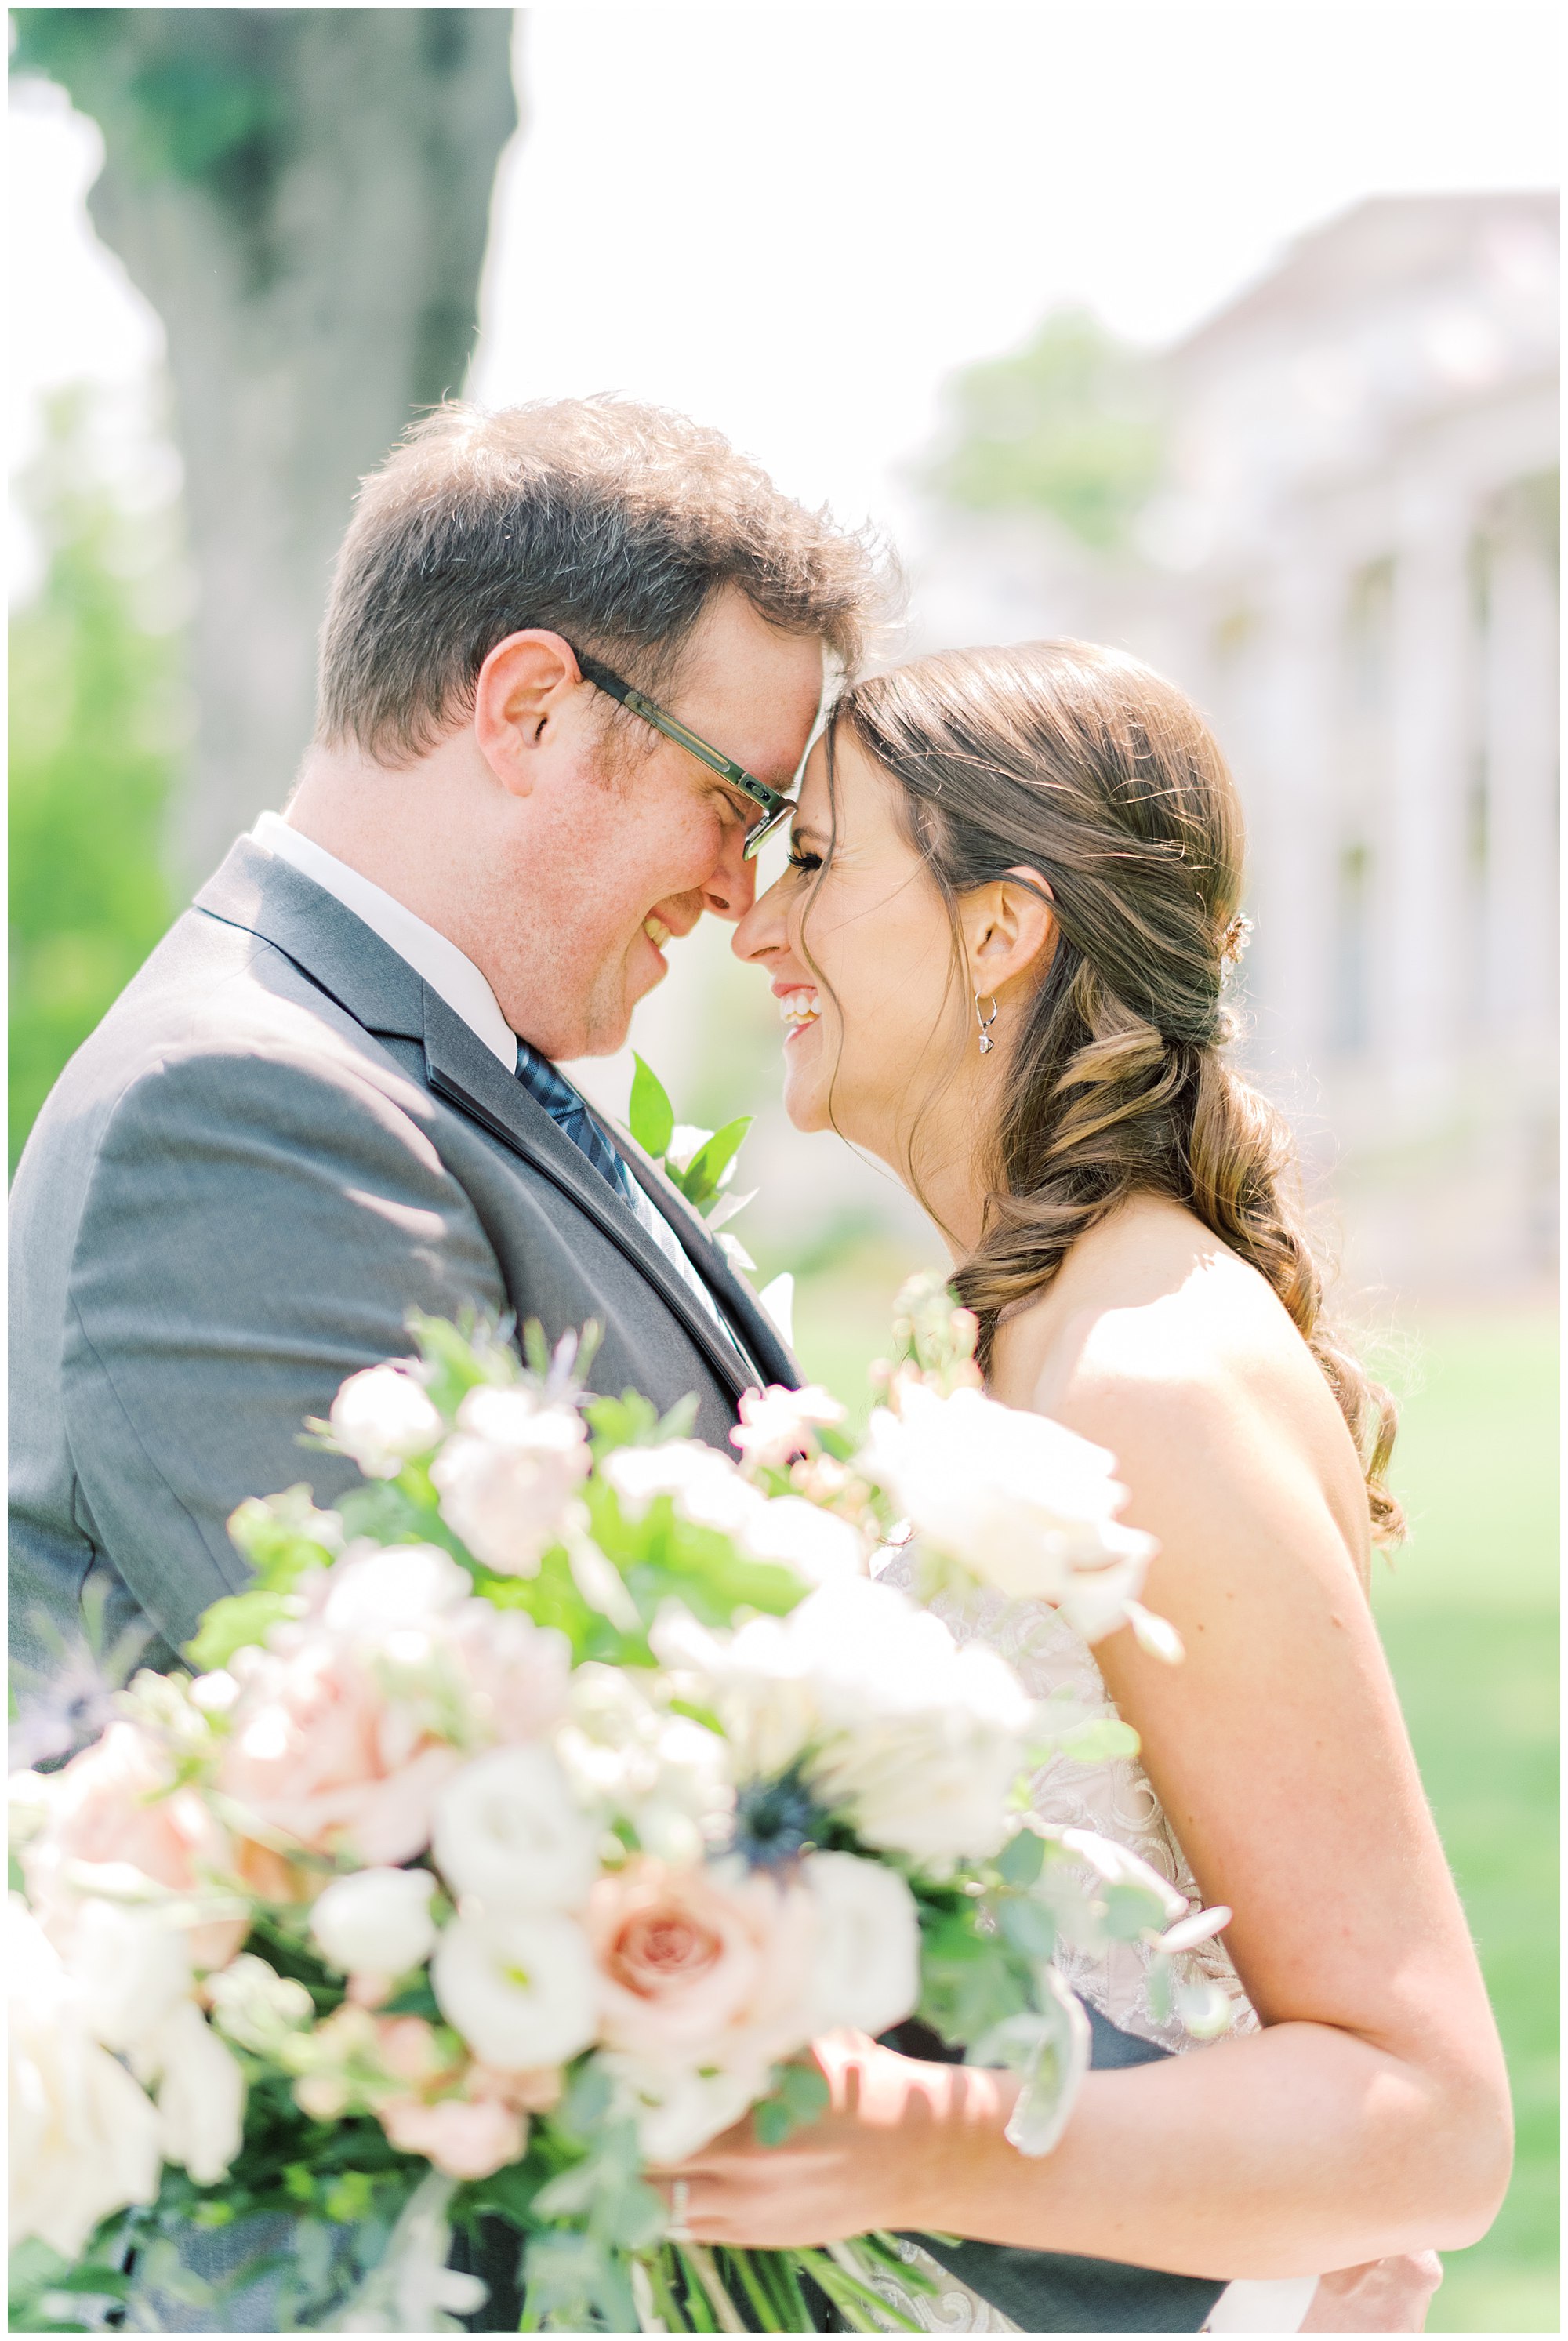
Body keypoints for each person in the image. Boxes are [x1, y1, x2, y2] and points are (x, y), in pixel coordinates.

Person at [681, 640, 1513, 2334]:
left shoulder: (1153, 1382)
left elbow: (1433, 2118)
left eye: (817, 860)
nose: (755, 922)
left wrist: (912, 2142)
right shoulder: (1032, 1336)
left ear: (1001, 927)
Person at [9, 397, 871, 1699]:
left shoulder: (439, 1063)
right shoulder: (233, 1114)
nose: (735, 892)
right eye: (730, 801)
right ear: (530, 712)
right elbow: (435, 1742)